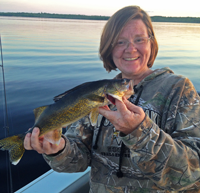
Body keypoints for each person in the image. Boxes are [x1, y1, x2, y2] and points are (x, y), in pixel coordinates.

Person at [24, 5, 200, 193]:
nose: (130, 49)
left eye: (139, 39)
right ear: (109, 48)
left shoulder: (179, 89)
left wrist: (138, 131)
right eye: (119, 42)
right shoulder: (95, 94)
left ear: (151, 43)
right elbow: (77, 161)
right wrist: (58, 149)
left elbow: (192, 171)